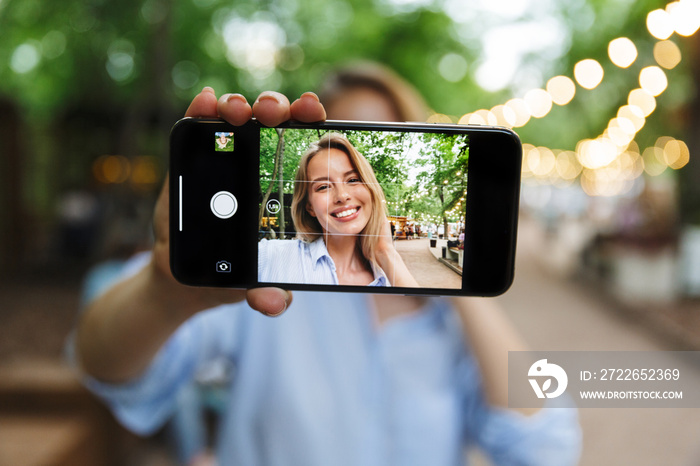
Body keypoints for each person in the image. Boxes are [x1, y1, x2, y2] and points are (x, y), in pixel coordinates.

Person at [69, 63, 581, 466]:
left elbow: (545, 451)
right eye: (321, 182)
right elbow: (107, 368)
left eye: (354, 172)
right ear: (306, 202)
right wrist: (165, 291)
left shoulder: (445, 322)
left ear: (372, 186)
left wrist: (470, 290)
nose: (341, 194)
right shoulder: (267, 281)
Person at [259, 133, 418, 287]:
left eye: (353, 180)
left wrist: (386, 253)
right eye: (323, 187)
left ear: (370, 190)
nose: (342, 196)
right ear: (310, 207)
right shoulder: (270, 256)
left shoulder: (394, 275)